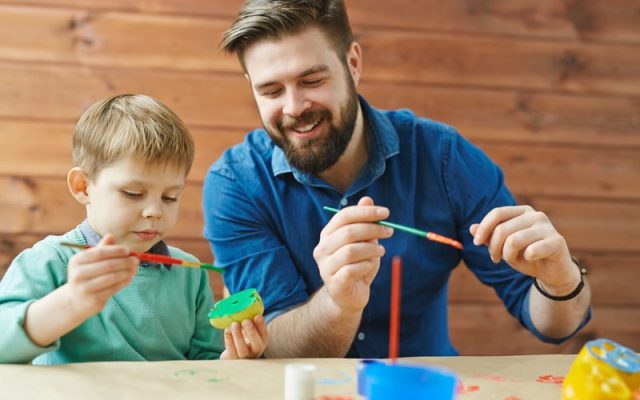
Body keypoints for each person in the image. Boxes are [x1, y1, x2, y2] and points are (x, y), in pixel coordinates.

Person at [203, 0, 591, 358]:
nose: (293, 108)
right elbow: (275, 346)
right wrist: (338, 302)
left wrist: (560, 280)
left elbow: (554, 324)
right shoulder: (236, 183)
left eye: (311, 80)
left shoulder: (442, 158)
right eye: (271, 91)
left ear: (353, 63)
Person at [0, 94, 267, 364]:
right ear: (82, 186)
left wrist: (234, 360)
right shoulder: (48, 262)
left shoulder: (189, 274)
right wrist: (71, 301)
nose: (155, 211)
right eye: (132, 193)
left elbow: (205, 364)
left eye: (170, 197)